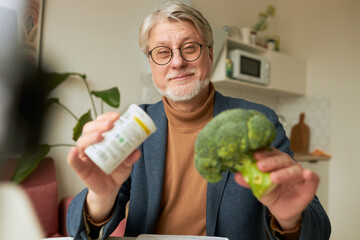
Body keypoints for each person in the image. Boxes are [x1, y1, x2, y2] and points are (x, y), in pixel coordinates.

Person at [66, 1, 331, 240]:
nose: (178, 61)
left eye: (189, 47)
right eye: (162, 52)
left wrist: (289, 219)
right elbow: (78, 231)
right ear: (151, 64)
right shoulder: (135, 126)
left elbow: (318, 229)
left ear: (210, 54)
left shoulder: (256, 121)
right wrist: (101, 197)